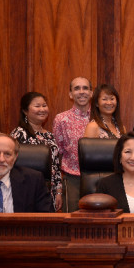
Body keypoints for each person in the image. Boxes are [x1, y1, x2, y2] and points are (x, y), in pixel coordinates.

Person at [11, 92, 63, 211]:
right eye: (37, 106)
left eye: (44, 105)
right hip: (26, 190)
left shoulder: (49, 135)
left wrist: (59, 191)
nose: (42, 109)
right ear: (25, 111)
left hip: (50, 191)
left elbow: (56, 165)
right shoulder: (19, 134)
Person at [53, 77, 93, 212]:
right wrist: (58, 188)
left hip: (99, 178)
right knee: (72, 223)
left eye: (85, 88)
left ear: (91, 93)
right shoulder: (61, 119)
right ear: (70, 94)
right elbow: (57, 154)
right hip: (72, 179)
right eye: (77, 88)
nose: (81, 92)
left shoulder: (100, 117)